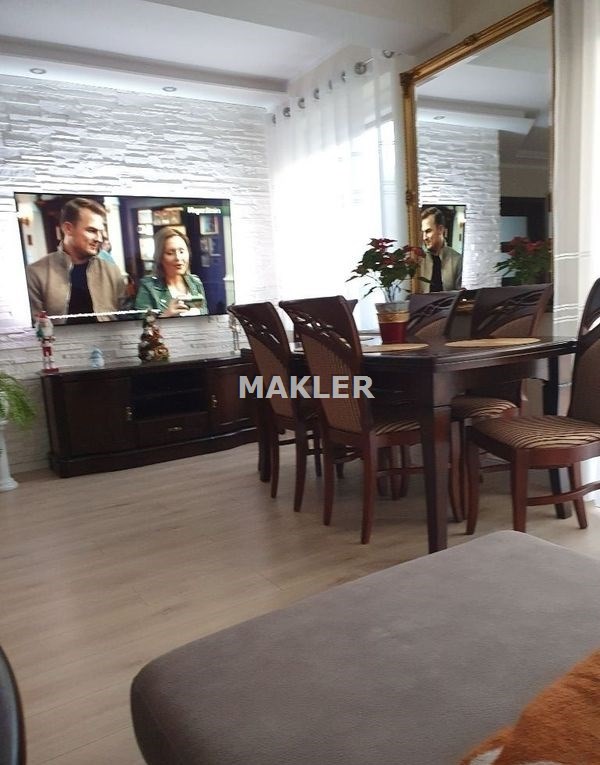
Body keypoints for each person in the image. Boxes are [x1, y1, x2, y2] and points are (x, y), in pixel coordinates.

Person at [26, 197, 126, 323]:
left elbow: (125, 318)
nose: (99, 239)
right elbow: (34, 328)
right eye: (92, 230)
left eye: (101, 232)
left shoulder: (112, 271)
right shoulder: (36, 273)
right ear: (68, 229)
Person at [134, 227, 208, 317]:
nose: (178, 258)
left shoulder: (195, 282)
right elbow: (143, 324)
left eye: (181, 251)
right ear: (160, 257)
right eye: (170, 253)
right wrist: (166, 315)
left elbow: (206, 318)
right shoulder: (148, 286)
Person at [419, 207, 462, 292]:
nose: (424, 237)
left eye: (428, 231)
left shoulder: (457, 260)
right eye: (422, 232)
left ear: (440, 229)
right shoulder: (419, 260)